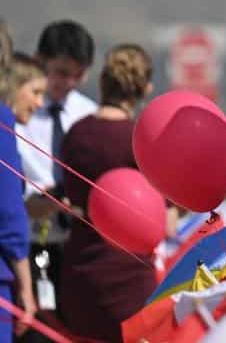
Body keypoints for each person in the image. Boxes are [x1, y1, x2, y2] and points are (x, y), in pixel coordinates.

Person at [57, 44, 157, 343]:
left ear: (102, 83)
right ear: (145, 88)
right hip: (131, 281)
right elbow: (166, 225)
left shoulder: (75, 134)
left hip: (78, 276)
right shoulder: (141, 141)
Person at [17, 20, 97, 304]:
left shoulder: (89, 115)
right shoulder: (18, 116)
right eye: (62, 73)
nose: (69, 83)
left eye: (78, 75)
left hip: (75, 246)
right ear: (40, 61)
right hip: (26, 242)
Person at [0, 53, 43, 340]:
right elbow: (8, 213)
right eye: (35, 92)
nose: (39, 103)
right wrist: (27, 289)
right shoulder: (3, 122)